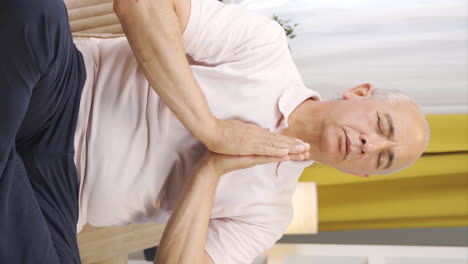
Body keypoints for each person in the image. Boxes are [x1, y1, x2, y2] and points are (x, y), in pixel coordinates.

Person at [0, 0, 429, 264]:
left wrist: (210, 171)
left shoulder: (269, 214)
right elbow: (141, 4)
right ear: (359, 93)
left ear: (359, 173)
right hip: (61, 94)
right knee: (35, 10)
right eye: (381, 126)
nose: (371, 144)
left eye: (382, 156)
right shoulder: (265, 49)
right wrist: (212, 130)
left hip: (55, 198)